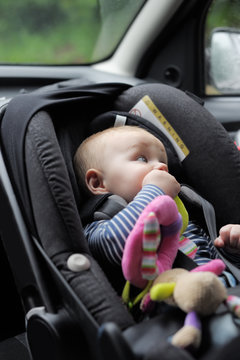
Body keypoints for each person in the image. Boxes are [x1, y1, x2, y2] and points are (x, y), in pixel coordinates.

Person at [74, 125, 238, 290]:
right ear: (98, 182)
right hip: (175, 306)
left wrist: (231, 250)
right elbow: (122, 246)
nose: (162, 167)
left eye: (163, 162)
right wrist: (154, 191)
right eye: (142, 159)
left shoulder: (182, 216)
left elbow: (212, 258)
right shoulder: (99, 228)